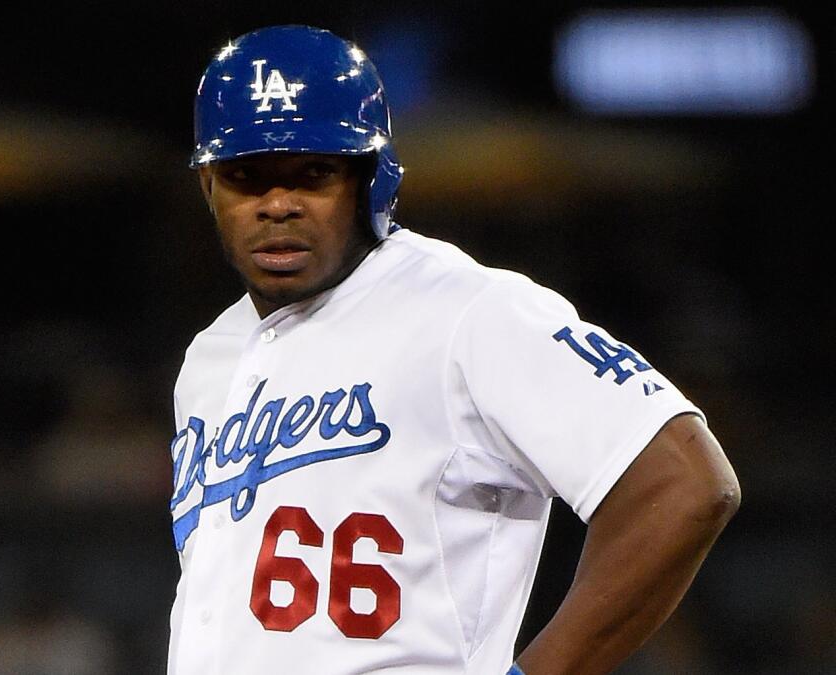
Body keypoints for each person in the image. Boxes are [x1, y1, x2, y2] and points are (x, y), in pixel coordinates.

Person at [167, 25, 739, 675]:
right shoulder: (211, 356)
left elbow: (687, 482)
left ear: (370, 182)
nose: (278, 204)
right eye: (247, 176)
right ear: (209, 186)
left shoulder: (466, 310)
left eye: (314, 172)